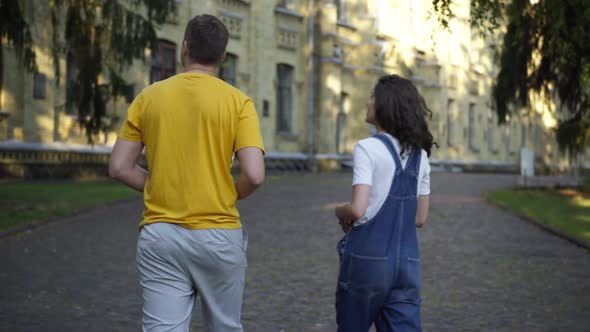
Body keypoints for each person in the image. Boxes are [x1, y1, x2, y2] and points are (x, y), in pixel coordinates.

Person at [108, 14, 265, 332]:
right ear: (222, 56)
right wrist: (224, 192)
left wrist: (160, 183)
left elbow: (119, 167)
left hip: (161, 235)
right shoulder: (239, 102)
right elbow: (255, 174)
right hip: (219, 235)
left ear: (184, 48)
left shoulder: (148, 97)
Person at [334, 74, 434, 332]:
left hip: (367, 262)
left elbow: (358, 208)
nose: (368, 104)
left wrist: (339, 210)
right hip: (407, 266)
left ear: (383, 106)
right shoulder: (421, 156)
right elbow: (420, 218)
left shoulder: (367, 148)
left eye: (372, 98)